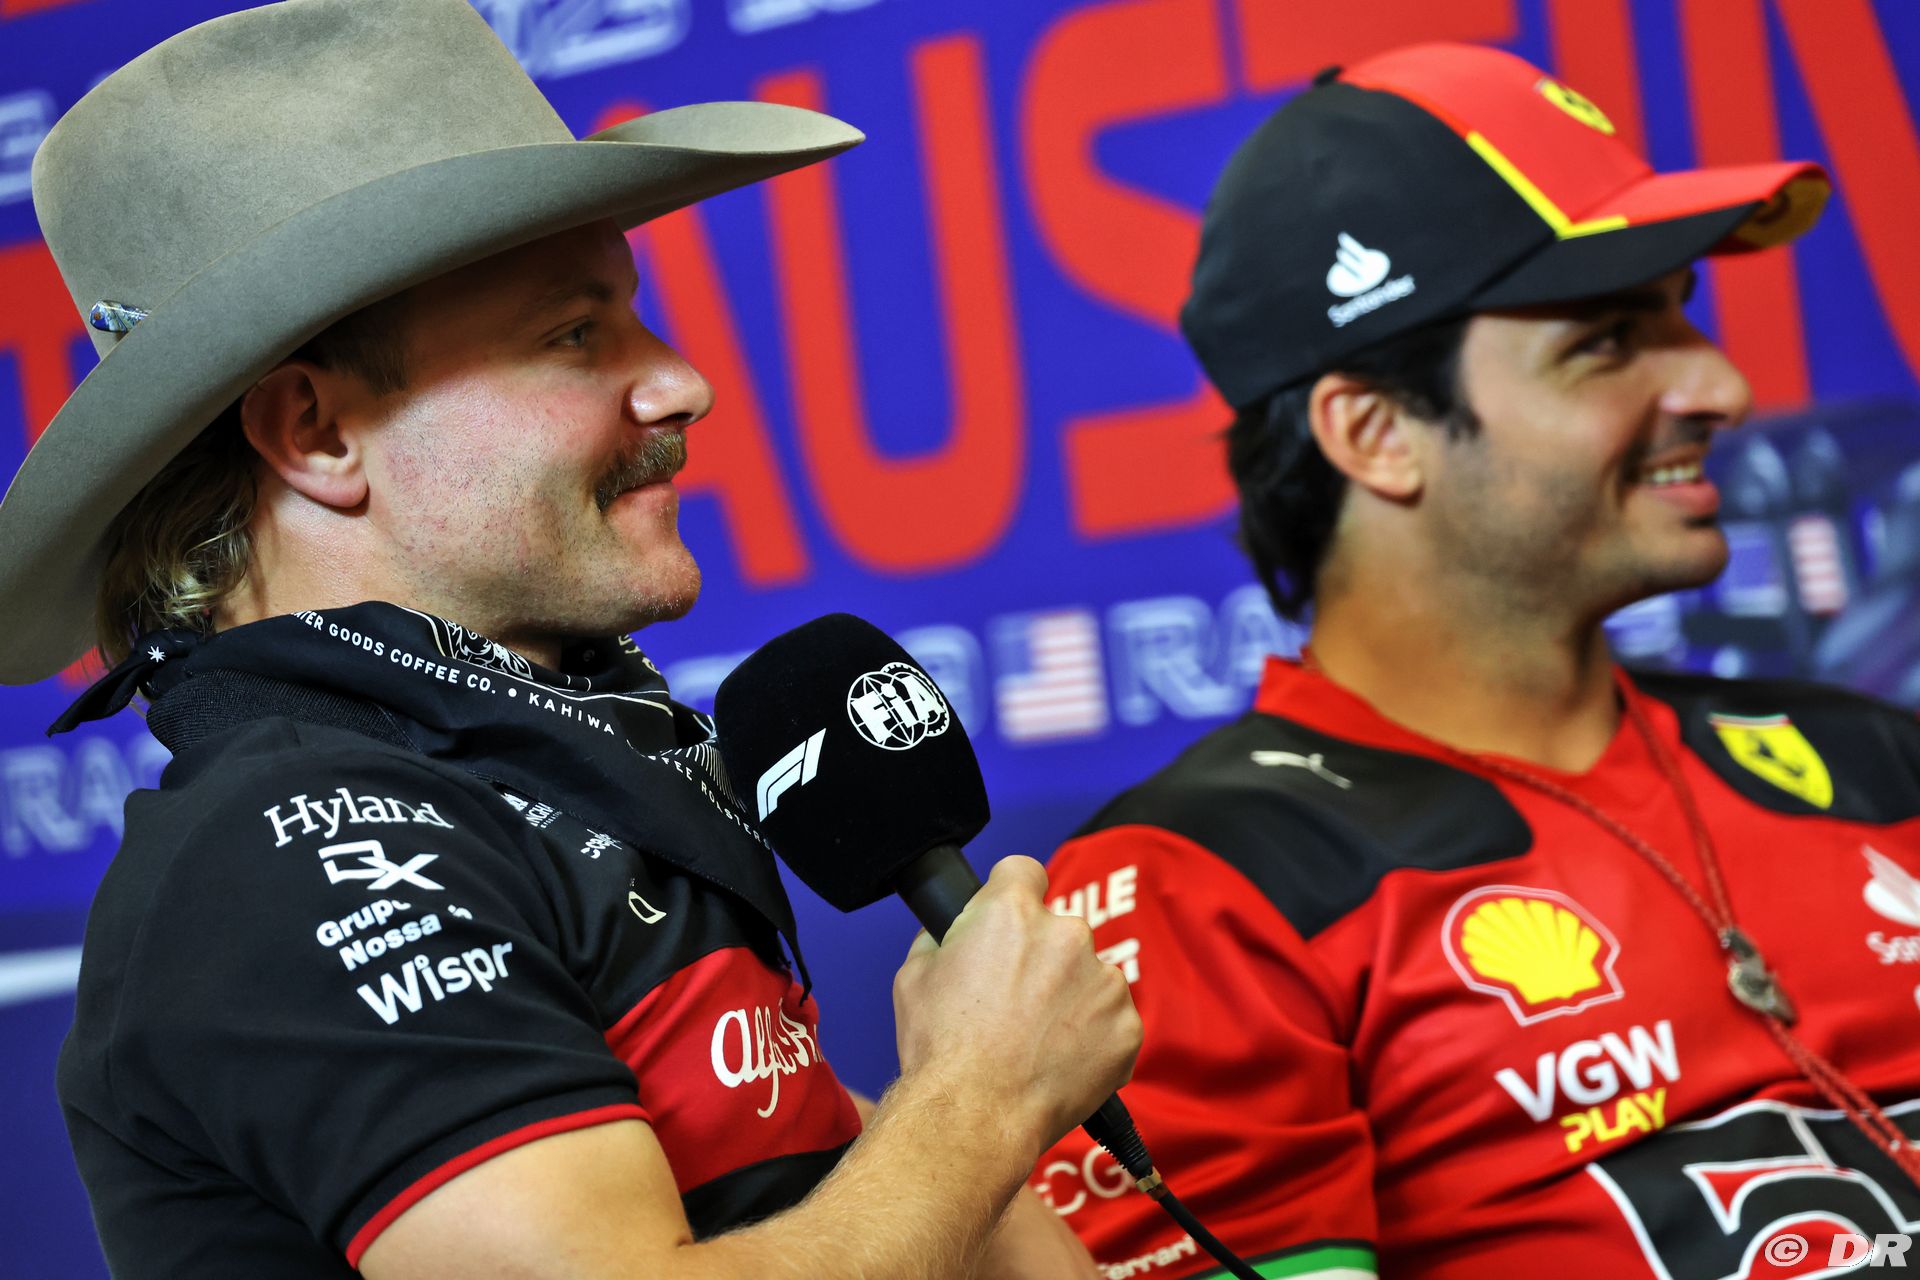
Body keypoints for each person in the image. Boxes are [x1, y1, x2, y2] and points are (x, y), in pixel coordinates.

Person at [0, 1, 1141, 1276]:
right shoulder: (286, 847)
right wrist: (980, 1099)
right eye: (574, 334)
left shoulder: (560, 770)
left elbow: (833, 1203)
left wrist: (966, 1110)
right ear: (315, 433)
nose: (682, 383)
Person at [1031, 41, 1920, 1280]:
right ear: (1376, 432)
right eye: (1606, 341)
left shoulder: (1874, 757)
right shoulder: (1202, 885)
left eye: (1682, 312)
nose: (1720, 384)